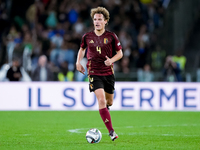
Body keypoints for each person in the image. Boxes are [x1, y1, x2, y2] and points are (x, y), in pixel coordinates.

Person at [76, 7, 123, 141]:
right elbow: (82, 49)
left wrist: (111, 61)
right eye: (95, 19)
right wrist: (78, 62)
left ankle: (105, 112)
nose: (97, 22)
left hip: (108, 73)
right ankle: (112, 132)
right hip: (93, 72)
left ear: (105, 21)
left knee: (109, 102)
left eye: (99, 20)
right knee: (101, 100)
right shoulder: (87, 36)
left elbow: (120, 53)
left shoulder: (111, 36)